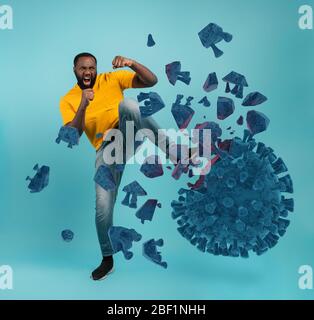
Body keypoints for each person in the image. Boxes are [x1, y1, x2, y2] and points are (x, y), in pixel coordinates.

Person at [59, 52, 170, 280]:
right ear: (74, 70)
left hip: (129, 133)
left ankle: (175, 152)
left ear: (96, 68)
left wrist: (132, 63)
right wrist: (82, 104)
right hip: (107, 151)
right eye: (82, 68)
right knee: (102, 207)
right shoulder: (68, 99)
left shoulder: (112, 79)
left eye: (91, 67)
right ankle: (107, 259)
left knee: (130, 105)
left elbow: (151, 81)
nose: (88, 72)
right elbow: (74, 134)